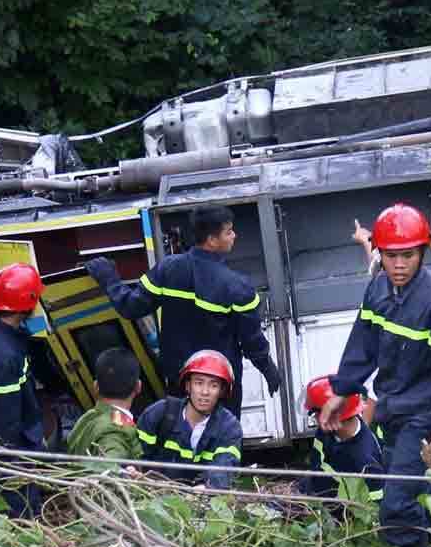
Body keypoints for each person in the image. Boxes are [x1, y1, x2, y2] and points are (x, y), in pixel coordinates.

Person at [317, 204, 431, 547]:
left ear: (423, 252)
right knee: (415, 499)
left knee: (395, 508)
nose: (399, 265)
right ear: (379, 254)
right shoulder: (378, 289)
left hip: (426, 418)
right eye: (391, 256)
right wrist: (341, 393)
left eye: (408, 255)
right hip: (392, 412)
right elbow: (362, 345)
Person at [85, 205, 283, 412]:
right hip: (220, 388)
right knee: (222, 441)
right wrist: (268, 369)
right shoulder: (237, 287)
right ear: (212, 240)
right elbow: (252, 341)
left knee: (181, 440)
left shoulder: (167, 269)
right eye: (228, 231)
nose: (234, 235)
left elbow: (131, 307)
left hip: (179, 384)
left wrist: (109, 278)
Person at [0, 263, 47, 517]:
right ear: (28, 303)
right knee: (20, 512)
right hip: (10, 454)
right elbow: (3, 419)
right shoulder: (3, 356)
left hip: (2, 443)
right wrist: (12, 464)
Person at [135, 350, 244, 491]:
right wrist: (132, 471)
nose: (205, 392)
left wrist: (207, 487)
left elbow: (225, 465)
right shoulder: (159, 413)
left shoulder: (229, 427)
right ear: (188, 385)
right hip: (153, 496)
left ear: (222, 391)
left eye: (213, 385)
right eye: (199, 383)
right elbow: (134, 452)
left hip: (201, 501)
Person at [295, 376, 383, 500]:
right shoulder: (326, 432)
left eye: (315, 414)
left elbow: (372, 508)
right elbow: (316, 466)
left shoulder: (366, 461)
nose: (315, 419)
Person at [65, 347, 143, 462]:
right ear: (138, 387)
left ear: (96, 387)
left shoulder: (87, 418)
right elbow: (109, 466)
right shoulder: (117, 430)